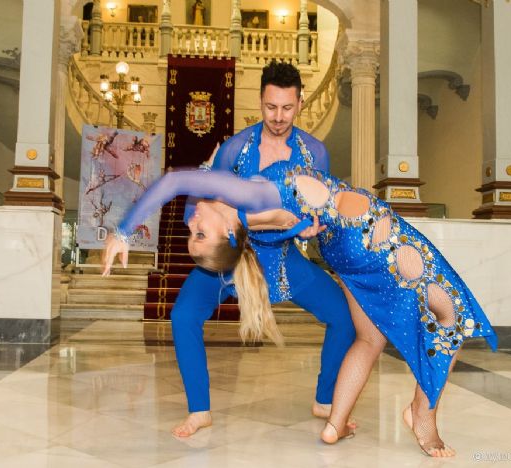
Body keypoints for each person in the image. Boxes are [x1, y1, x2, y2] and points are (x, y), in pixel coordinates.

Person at [103, 163, 497, 457]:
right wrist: (122, 231)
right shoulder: (246, 198)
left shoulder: (249, 218)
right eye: (199, 235)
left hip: (343, 250)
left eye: (193, 234)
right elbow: (174, 180)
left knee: (368, 336)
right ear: (226, 233)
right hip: (370, 233)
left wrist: (302, 227)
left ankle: (335, 424)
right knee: (455, 313)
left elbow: (291, 223)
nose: (192, 224)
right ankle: (422, 413)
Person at [106, 61, 356, 438]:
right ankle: (199, 410)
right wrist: (123, 231)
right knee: (182, 317)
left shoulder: (315, 154)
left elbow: (312, 211)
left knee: (344, 318)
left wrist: (307, 232)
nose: (278, 116)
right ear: (260, 101)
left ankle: (324, 399)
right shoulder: (237, 149)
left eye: (287, 108)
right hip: (232, 258)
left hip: (285, 261)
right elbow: (207, 198)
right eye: (271, 107)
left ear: (301, 103)